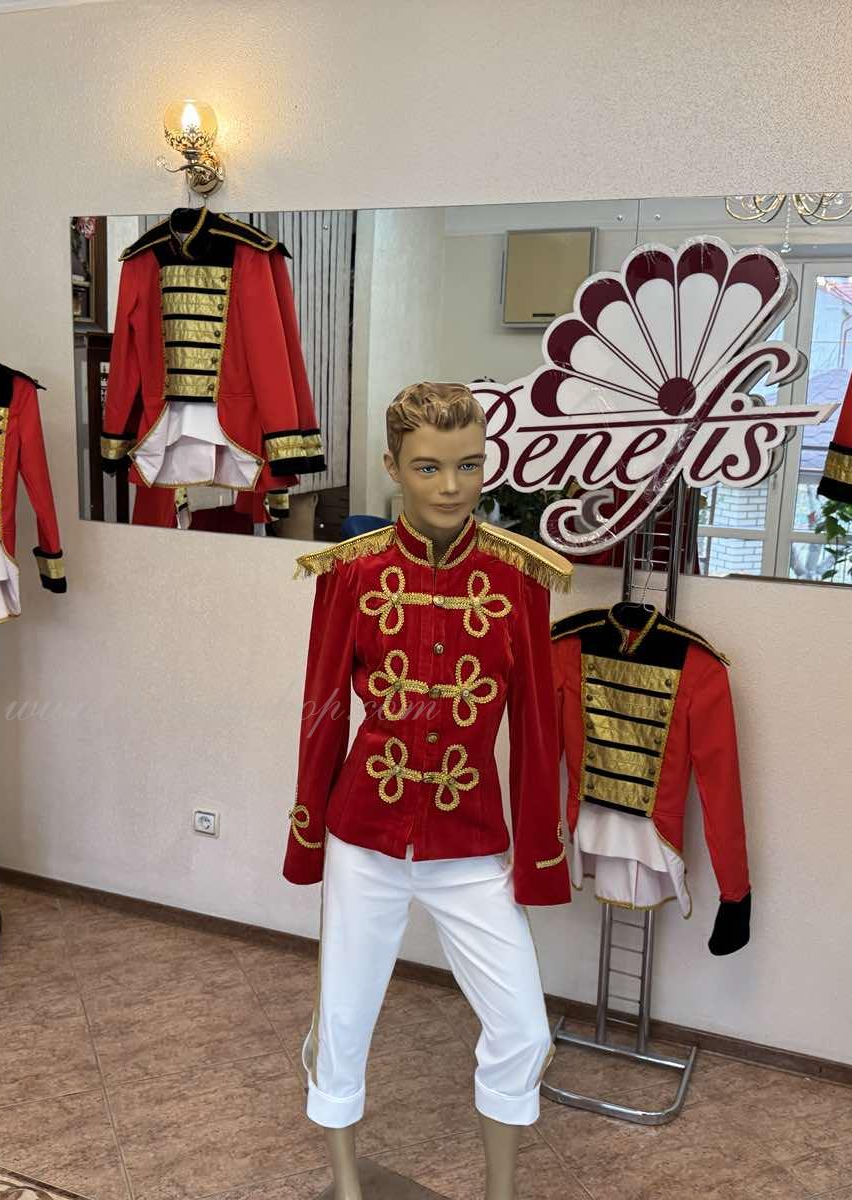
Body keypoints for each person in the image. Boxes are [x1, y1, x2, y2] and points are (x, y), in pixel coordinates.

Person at [285, 381, 574, 1199]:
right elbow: (322, 709)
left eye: (469, 465)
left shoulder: (519, 578)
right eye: (428, 467)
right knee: (344, 1020)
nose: (451, 486)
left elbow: (536, 732)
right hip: (364, 835)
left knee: (523, 1029)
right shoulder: (352, 572)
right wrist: (308, 836)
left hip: (469, 840)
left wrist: (538, 858)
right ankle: (346, 1187)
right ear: (392, 467)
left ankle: (500, 1194)